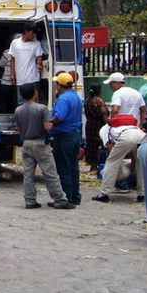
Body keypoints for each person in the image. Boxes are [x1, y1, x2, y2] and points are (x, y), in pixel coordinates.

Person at [14, 84, 72, 209]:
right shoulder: (42, 108)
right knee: (50, 172)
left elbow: (19, 128)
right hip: (40, 143)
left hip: (26, 143)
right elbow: (48, 127)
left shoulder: (18, 110)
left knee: (28, 174)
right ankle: (59, 199)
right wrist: (52, 122)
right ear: (35, 93)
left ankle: (30, 200)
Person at [49, 72, 83, 206]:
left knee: (63, 168)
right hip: (74, 134)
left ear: (60, 85)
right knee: (73, 167)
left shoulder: (63, 99)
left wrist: (49, 122)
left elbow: (60, 117)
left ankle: (65, 198)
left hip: (63, 136)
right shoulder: (76, 96)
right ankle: (75, 196)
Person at [93, 116, 145, 204]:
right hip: (141, 135)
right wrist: (132, 167)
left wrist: (121, 167)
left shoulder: (104, 130)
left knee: (111, 162)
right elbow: (133, 152)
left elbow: (111, 150)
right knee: (140, 164)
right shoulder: (121, 126)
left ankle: (104, 194)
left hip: (128, 137)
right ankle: (142, 195)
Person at [9, 23, 45, 104]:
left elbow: (39, 56)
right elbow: (12, 59)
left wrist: (39, 65)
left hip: (32, 78)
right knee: (21, 102)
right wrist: (12, 74)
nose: (34, 35)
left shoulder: (36, 43)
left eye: (35, 33)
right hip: (20, 78)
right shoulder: (15, 43)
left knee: (33, 101)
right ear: (26, 32)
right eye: (32, 33)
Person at [83, 83, 109, 175]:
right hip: (99, 126)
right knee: (100, 145)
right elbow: (104, 114)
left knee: (91, 146)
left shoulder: (87, 101)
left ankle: (93, 166)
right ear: (99, 90)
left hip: (89, 125)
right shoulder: (99, 101)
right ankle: (101, 165)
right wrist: (109, 124)